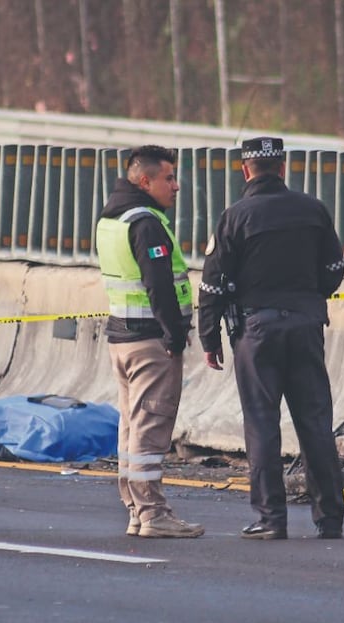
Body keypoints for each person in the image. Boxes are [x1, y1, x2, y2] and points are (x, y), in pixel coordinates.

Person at [197, 136, 344, 540]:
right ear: (282, 168)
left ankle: (271, 519)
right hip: (305, 325)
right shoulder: (313, 210)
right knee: (315, 423)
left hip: (256, 331)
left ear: (245, 170)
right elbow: (334, 267)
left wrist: (208, 337)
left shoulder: (235, 216)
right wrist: (309, 295)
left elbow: (212, 285)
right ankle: (330, 519)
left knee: (262, 424)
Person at [95, 145, 204, 538]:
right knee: (151, 427)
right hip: (150, 343)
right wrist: (175, 336)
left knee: (131, 426)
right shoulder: (146, 223)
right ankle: (153, 512)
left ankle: (136, 511)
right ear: (146, 181)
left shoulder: (111, 218)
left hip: (122, 339)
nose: (176, 186)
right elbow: (158, 284)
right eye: (169, 178)